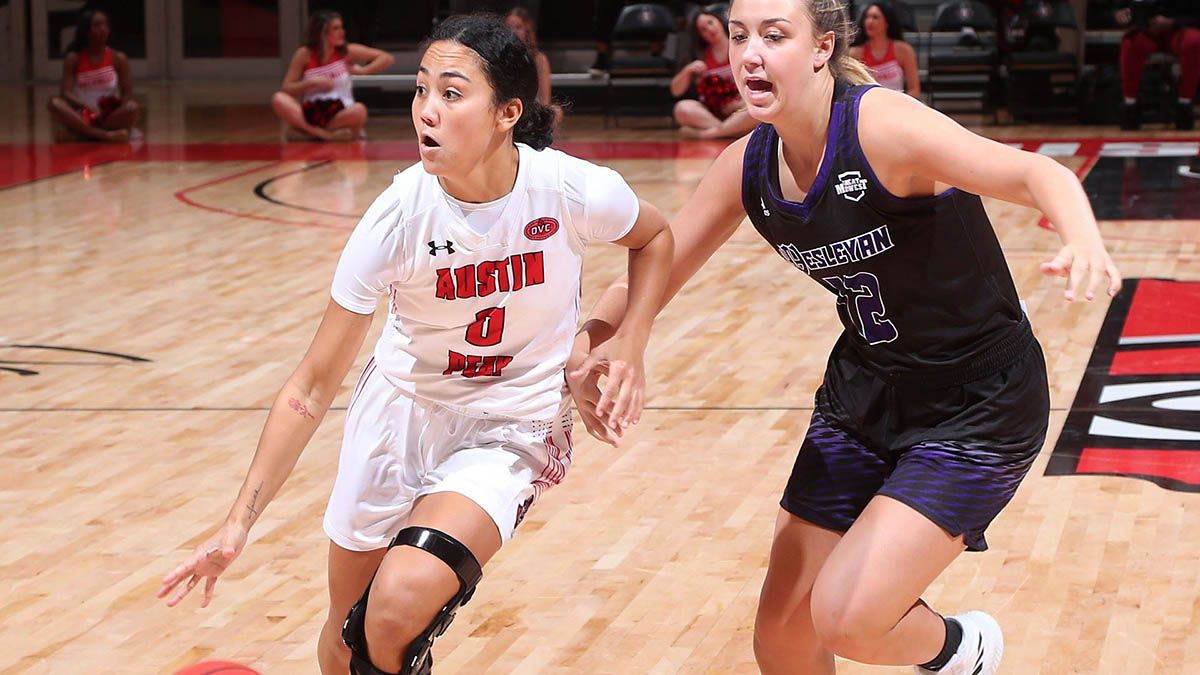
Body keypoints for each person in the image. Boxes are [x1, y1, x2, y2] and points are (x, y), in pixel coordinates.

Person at [568, 1, 1121, 674]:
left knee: (846, 616)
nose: (749, 54)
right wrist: (597, 338)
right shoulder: (750, 164)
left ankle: (961, 649)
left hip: (979, 401)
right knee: (783, 631)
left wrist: (1082, 236)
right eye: (740, 36)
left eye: (775, 36)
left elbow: (1038, 172)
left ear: (823, 46)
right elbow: (661, 259)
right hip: (863, 392)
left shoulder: (882, 126)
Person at [159, 14, 674, 675]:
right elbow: (312, 385)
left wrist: (629, 342)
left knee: (397, 602)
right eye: (421, 90)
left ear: (507, 112)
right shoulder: (397, 215)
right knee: (349, 645)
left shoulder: (569, 189)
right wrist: (238, 521)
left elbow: (655, 238)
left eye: (452, 94)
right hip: (397, 420)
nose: (427, 110)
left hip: (510, 424)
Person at [271, 11, 394, 141]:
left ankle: (309, 132)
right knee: (279, 99)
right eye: (336, 28)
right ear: (322, 32)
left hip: (341, 111)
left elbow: (386, 58)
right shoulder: (304, 54)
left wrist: (362, 71)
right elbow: (287, 87)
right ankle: (321, 133)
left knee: (360, 110)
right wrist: (312, 83)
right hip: (312, 112)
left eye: (341, 27)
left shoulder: (346, 51)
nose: (342, 32)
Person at [47, 9, 139, 142]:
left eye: (105, 25)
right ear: (86, 30)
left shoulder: (118, 58)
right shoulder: (74, 58)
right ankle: (103, 135)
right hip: (84, 113)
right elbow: (66, 92)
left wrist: (115, 108)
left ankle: (84, 132)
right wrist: (87, 106)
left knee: (132, 107)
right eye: (97, 25)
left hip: (109, 115)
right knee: (54, 103)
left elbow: (127, 93)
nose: (103, 29)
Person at [670, 4, 758, 138]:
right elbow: (675, 91)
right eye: (703, 29)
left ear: (719, 21)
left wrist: (740, 102)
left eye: (710, 23)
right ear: (700, 35)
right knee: (681, 108)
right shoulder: (700, 56)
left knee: (756, 107)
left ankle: (708, 135)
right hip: (711, 114)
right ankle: (729, 131)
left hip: (741, 107)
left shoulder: (744, 46)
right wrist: (687, 70)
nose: (709, 29)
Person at [1114, 0, 1198, 130]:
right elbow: (1120, 9)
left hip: (1179, 28)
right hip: (1146, 30)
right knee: (1130, 43)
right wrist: (1120, 15)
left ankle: (1184, 103)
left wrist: (1173, 22)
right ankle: (1130, 104)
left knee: (1194, 41)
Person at [504, 7, 565, 124]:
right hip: (507, 107)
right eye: (509, 28)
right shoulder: (499, 57)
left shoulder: (539, 59)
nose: (513, 32)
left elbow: (544, 98)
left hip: (531, 108)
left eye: (518, 27)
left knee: (556, 111)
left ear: (527, 30)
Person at [849, 2, 919, 97]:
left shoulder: (903, 50)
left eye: (875, 17)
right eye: (866, 17)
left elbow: (914, 89)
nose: (869, 21)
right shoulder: (854, 53)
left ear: (887, 23)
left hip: (898, 105)